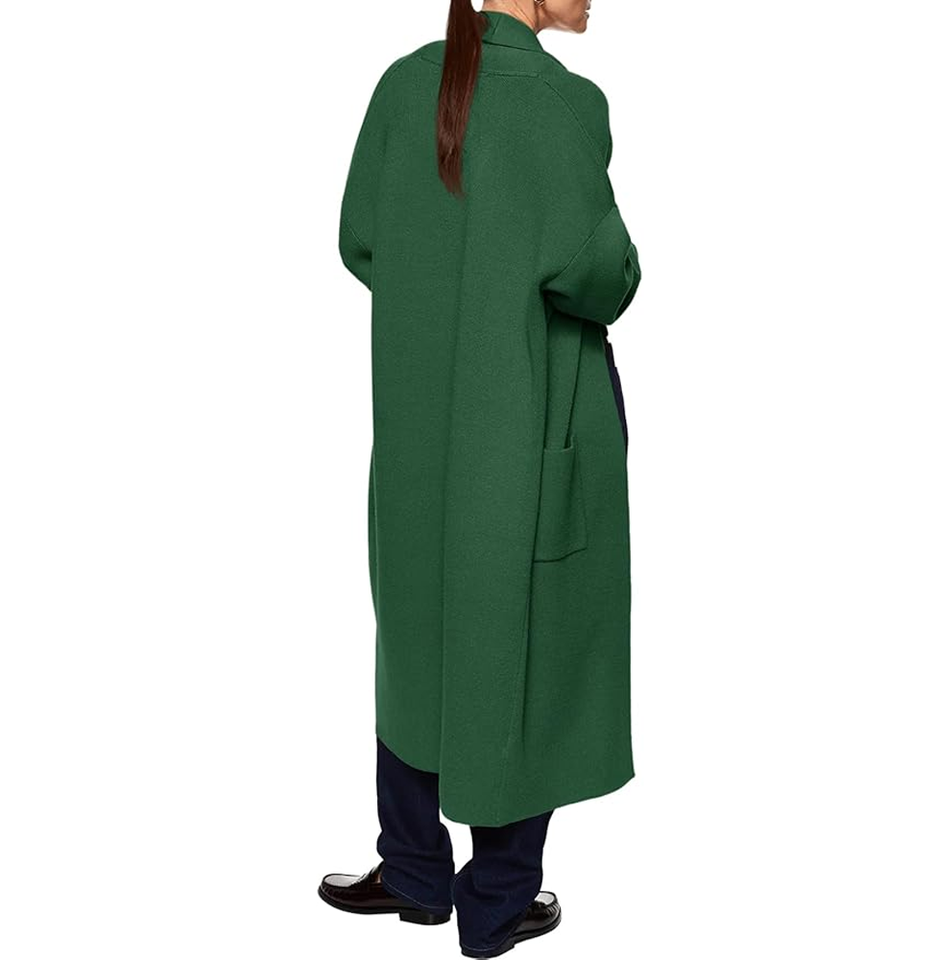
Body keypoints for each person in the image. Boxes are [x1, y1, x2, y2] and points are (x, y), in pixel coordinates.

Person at [319, 0, 641, 956]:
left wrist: (448, 282)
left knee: (417, 631)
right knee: (524, 641)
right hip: (527, 424)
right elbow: (605, 274)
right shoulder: (559, 103)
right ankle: (496, 901)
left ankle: (416, 871)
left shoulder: (401, 86)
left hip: (420, 423)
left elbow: (361, 239)